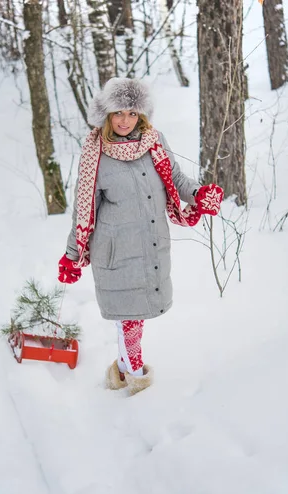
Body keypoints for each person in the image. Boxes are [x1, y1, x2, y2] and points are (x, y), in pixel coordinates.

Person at [58, 78, 223, 396]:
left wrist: (198, 194)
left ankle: (118, 374)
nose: (124, 120)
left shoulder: (155, 140)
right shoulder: (96, 153)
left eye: (132, 113)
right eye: (118, 113)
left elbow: (175, 177)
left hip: (149, 244)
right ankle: (137, 385)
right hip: (116, 251)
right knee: (128, 319)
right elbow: (84, 209)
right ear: (106, 115)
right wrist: (72, 254)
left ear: (142, 115)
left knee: (135, 318)